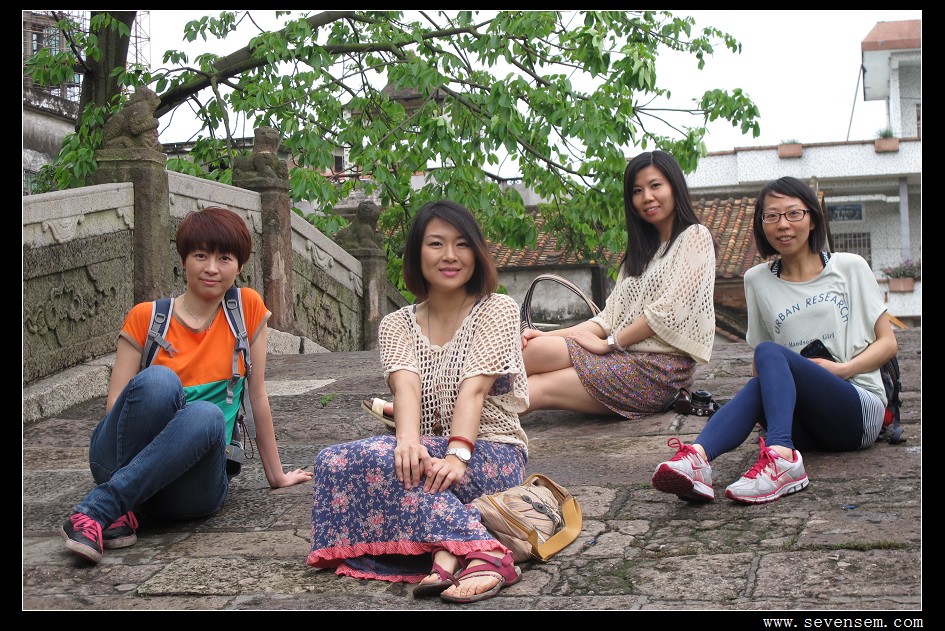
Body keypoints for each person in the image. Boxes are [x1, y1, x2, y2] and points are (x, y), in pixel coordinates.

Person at [60, 206, 313, 563]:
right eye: (200, 256)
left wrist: (277, 476)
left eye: (224, 258)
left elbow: (257, 396)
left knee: (207, 416)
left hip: (189, 488)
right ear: (183, 260)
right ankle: (114, 506)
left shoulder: (246, 309)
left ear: (240, 265)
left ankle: (101, 509)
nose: (212, 268)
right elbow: (116, 408)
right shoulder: (147, 318)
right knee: (160, 381)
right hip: (118, 461)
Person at [307, 200, 530, 604]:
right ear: (416, 253)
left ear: (477, 252)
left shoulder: (497, 309)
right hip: (429, 460)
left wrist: (457, 456)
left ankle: (483, 552)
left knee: (387, 464)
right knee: (333, 461)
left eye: (462, 244)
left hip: (489, 453)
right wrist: (408, 443)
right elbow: (405, 388)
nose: (450, 255)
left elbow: (474, 390)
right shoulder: (396, 324)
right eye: (436, 244)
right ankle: (457, 548)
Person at [651, 176, 898, 504]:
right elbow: (762, 364)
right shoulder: (756, 280)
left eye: (794, 213)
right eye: (772, 216)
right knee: (762, 373)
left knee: (770, 352)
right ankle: (698, 459)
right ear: (761, 224)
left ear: (812, 219)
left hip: (857, 409)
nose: (783, 224)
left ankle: (781, 458)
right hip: (804, 423)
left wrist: (841, 370)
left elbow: (888, 343)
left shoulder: (850, 267)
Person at [519, 150, 717, 418]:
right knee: (532, 349)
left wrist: (611, 343)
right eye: (637, 191)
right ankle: (464, 407)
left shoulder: (695, 236)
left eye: (655, 185)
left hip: (659, 371)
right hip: (621, 356)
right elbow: (607, 319)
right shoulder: (641, 254)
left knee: (537, 387)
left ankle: (470, 425)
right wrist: (547, 335)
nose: (647, 197)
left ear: (675, 186)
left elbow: (667, 313)